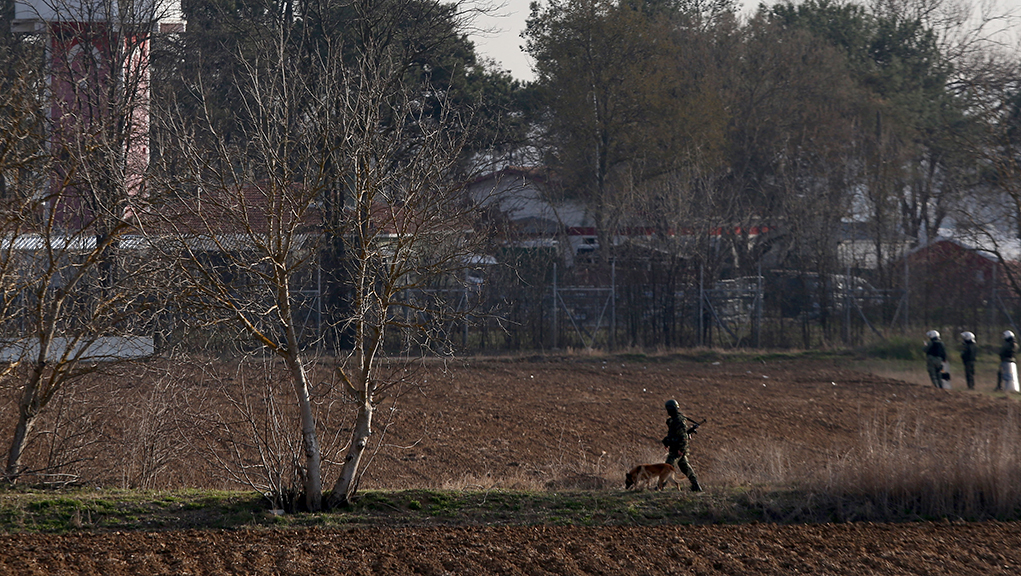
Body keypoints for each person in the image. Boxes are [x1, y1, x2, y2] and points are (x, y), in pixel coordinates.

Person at [662, 399, 702, 492]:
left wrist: (681, 449)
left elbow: (683, 437)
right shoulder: (673, 420)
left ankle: (660, 486)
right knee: (685, 467)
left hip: (677, 449)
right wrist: (667, 442)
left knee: (667, 467)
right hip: (675, 448)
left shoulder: (679, 421)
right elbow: (673, 435)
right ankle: (696, 486)